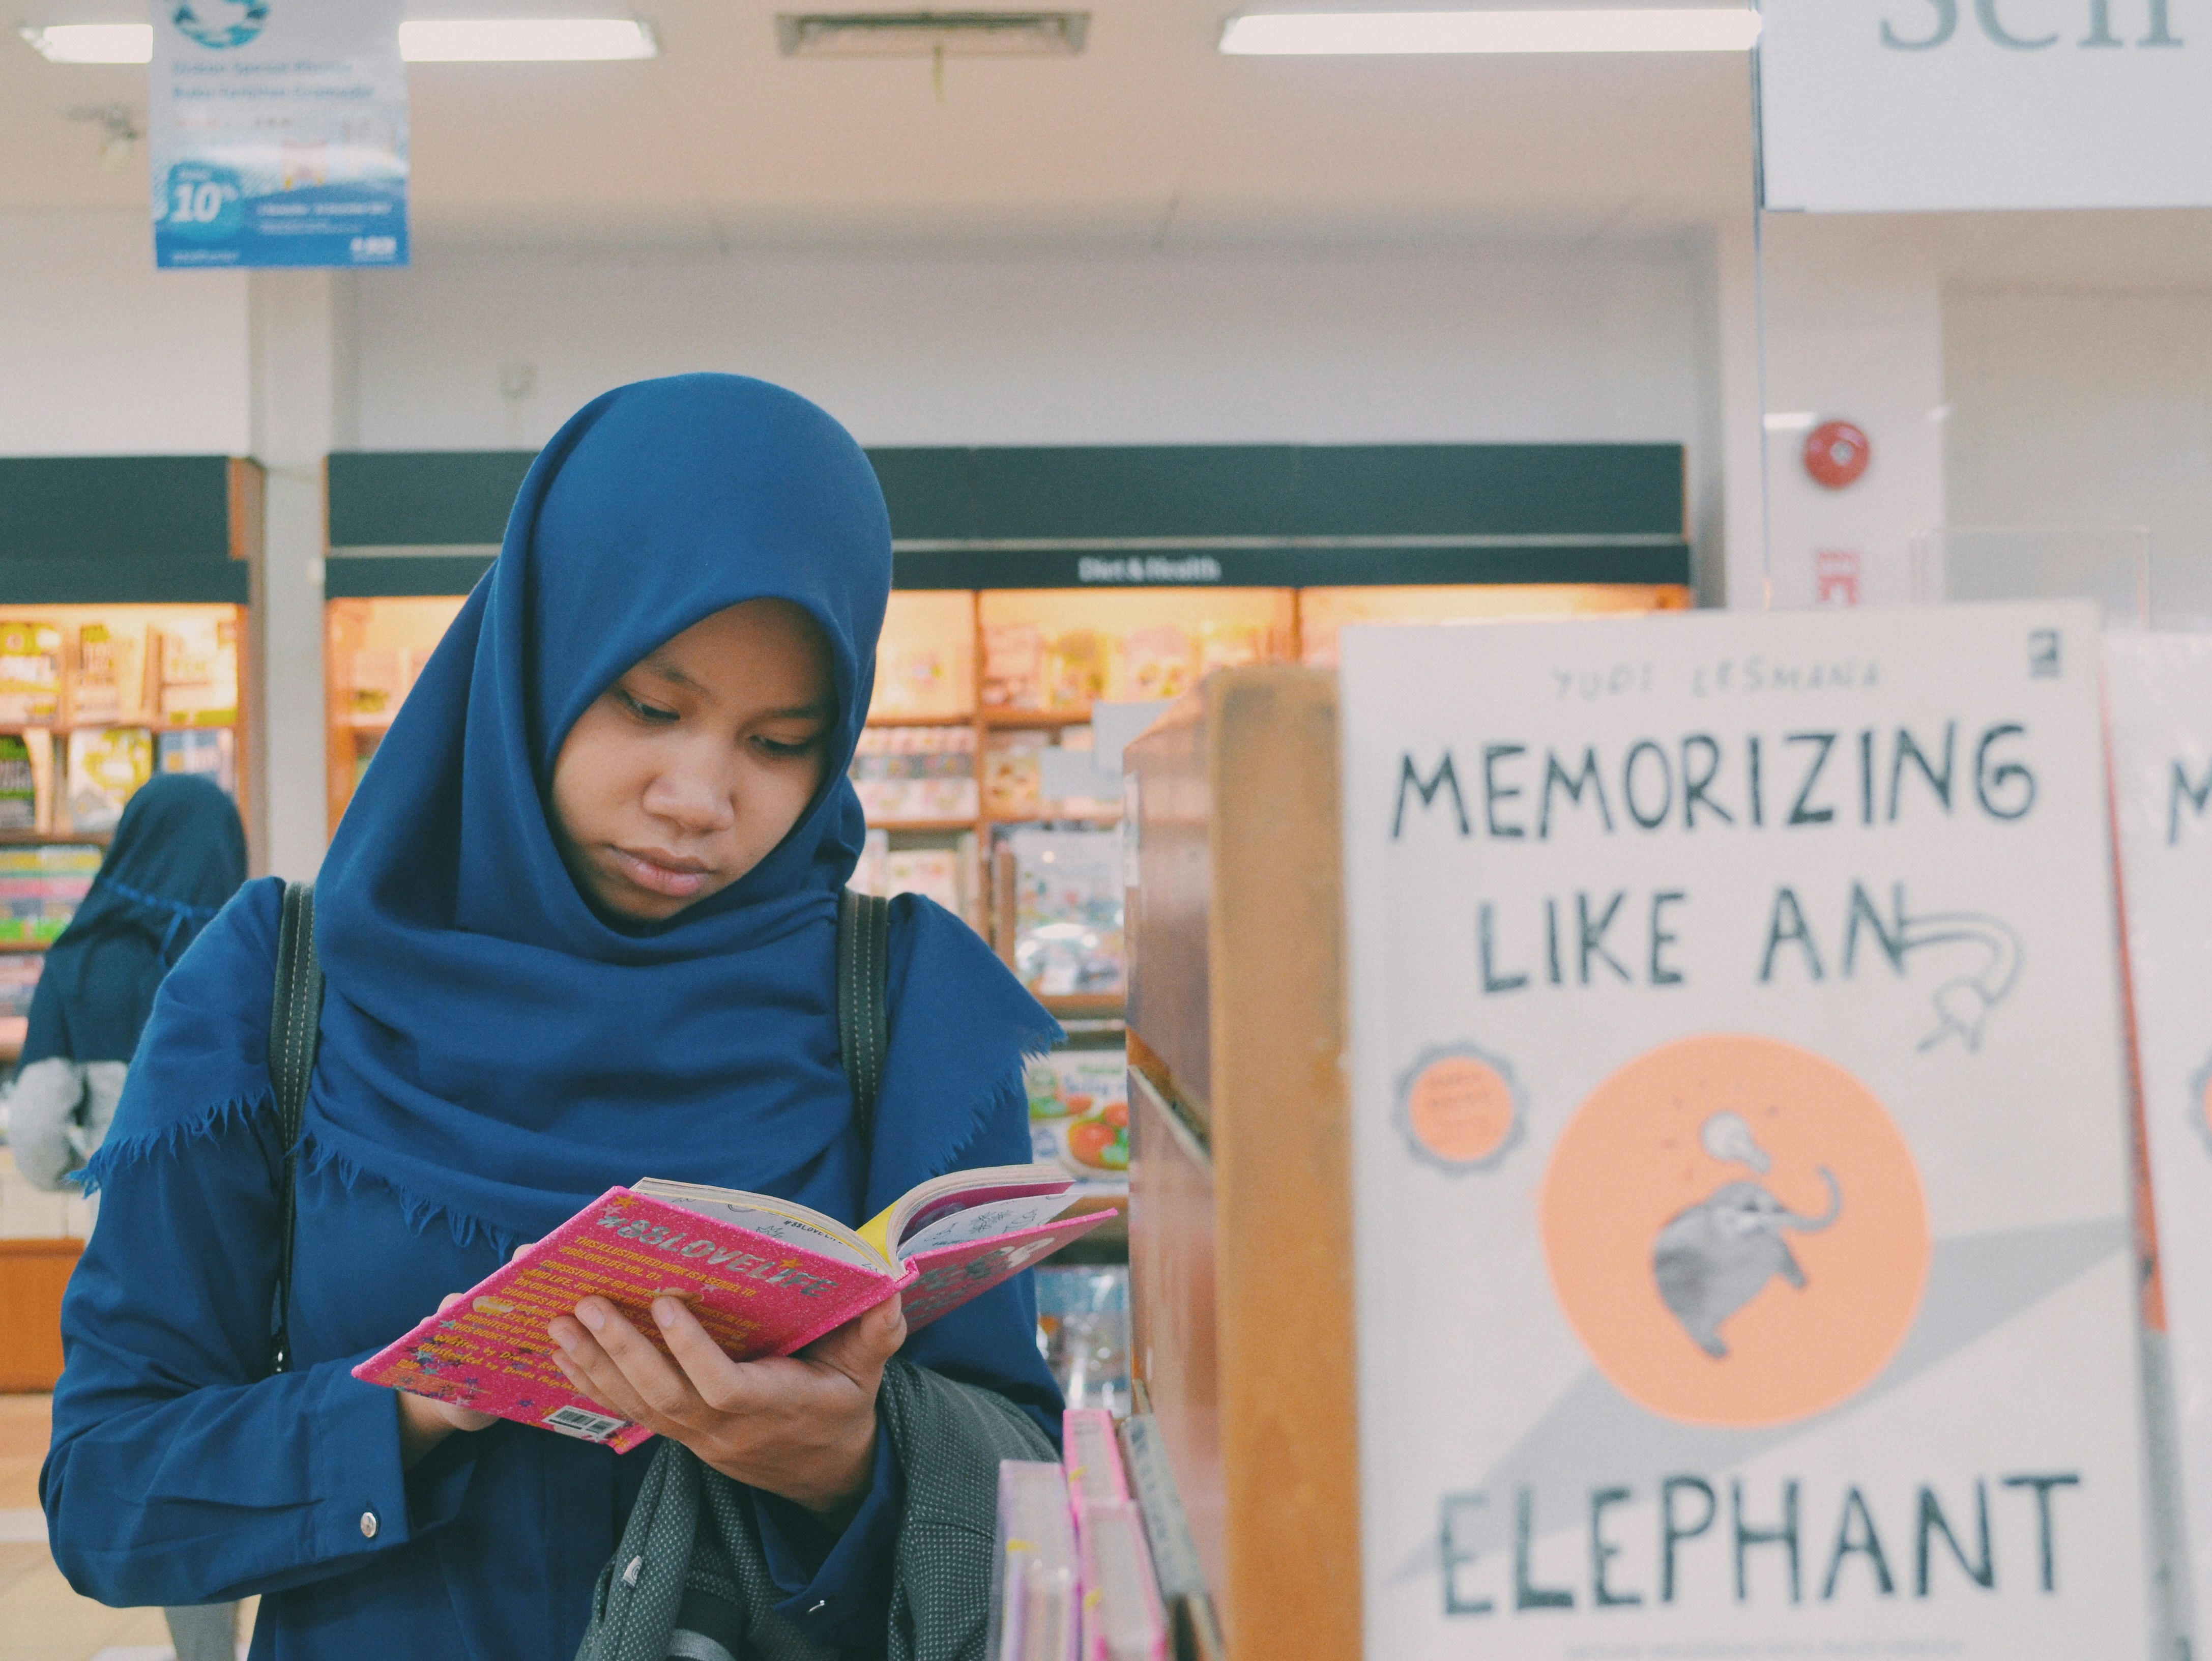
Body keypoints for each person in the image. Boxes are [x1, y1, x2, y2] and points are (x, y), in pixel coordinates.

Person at [41, 375, 1064, 1659]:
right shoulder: (279, 986)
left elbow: (1023, 1478)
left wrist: (842, 1458)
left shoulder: (902, 1006)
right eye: (649, 705)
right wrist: (413, 1411)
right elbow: (105, 1492)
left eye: (779, 741)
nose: (699, 798)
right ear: (533, 655)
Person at [7, 771, 248, 1661]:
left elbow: (32, 1125)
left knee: (172, 1454)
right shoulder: (256, 950)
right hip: (264, 1244)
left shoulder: (82, 957)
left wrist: (85, 1170)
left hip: (137, 1252)